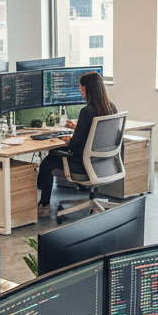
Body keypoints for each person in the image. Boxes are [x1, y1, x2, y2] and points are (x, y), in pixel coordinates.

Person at [35, 71, 116, 217]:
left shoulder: (86, 112)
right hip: (104, 164)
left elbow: (74, 145)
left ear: (84, 89)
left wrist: (66, 140)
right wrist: (76, 127)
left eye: (80, 87)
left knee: (47, 162)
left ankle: (44, 205)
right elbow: (97, 133)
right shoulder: (111, 107)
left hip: (83, 166)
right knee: (54, 156)